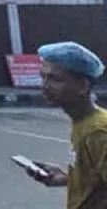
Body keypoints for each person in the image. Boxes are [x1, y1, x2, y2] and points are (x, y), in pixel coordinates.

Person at [24, 41, 107, 208]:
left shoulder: (98, 132)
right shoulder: (83, 121)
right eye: (43, 77)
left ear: (82, 86)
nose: (45, 86)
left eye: (55, 79)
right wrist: (67, 178)